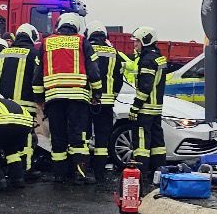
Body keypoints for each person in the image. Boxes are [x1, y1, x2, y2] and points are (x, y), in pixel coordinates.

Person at [32, 13, 102, 185]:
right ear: (76, 26)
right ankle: (79, 174)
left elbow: (37, 75)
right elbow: (93, 71)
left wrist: (39, 98)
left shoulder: (46, 43)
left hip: (54, 98)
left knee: (58, 136)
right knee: (78, 136)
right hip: (77, 98)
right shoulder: (82, 42)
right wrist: (97, 94)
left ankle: (59, 175)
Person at [0, 24, 44, 179]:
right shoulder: (34, 54)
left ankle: (6, 167)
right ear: (31, 37)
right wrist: (40, 101)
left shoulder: (4, 53)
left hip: (2, 104)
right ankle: (26, 169)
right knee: (26, 136)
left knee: (4, 136)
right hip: (25, 104)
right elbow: (37, 79)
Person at [129, 26, 168, 188]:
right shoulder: (158, 57)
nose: (135, 44)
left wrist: (135, 107)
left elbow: (145, 86)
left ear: (145, 40)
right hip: (156, 107)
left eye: (137, 41)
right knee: (157, 141)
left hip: (145, 108)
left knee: (142, 143)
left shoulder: (146, 60)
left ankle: (141, 173)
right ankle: (158, 171)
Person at [86, 21, 123, 186]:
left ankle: (83, 170)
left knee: (84, 137)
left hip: (86, 100)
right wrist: (113, 96)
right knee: (102, 139)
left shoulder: (85, 49)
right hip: (106, 102)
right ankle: (99, 173)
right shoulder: (113, 52)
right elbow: (119, 79)